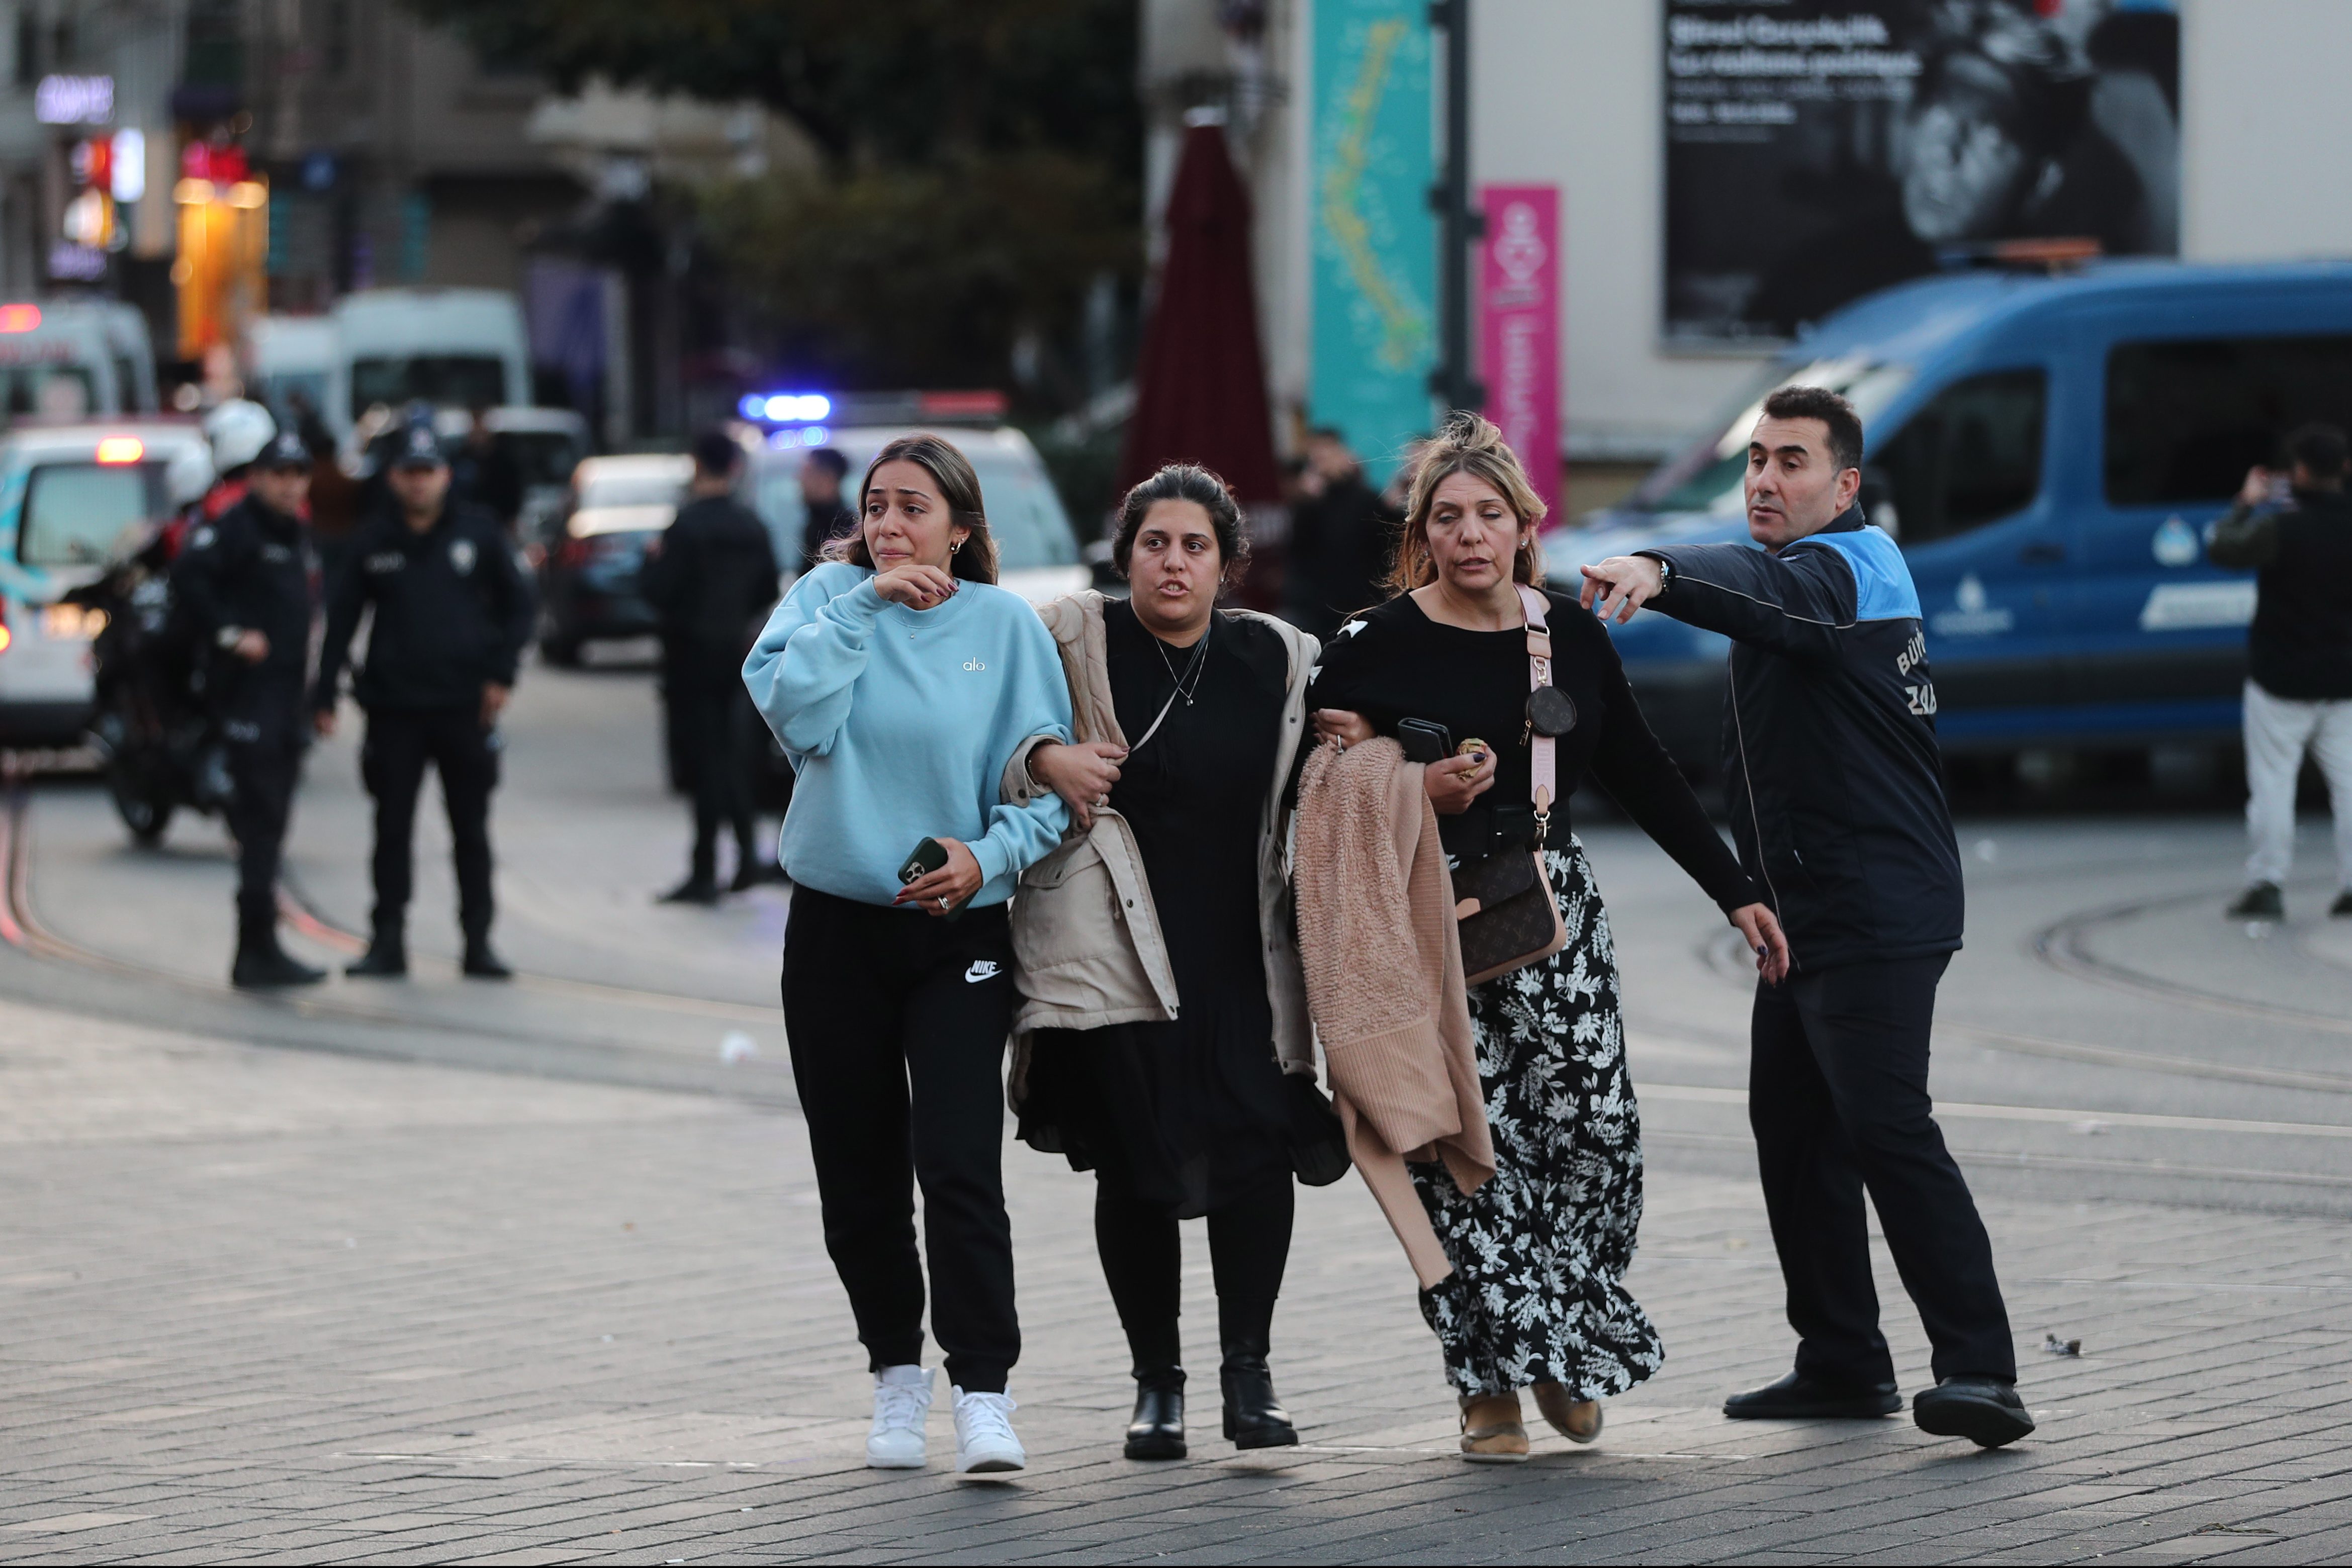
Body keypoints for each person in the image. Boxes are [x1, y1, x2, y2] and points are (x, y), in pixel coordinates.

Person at [1309, 413, 1789, 1461]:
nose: (1469, 534)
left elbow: (1641, 770)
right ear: (1422, 534)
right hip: (1417, 922)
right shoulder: (1368, 648)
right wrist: (1408, 782)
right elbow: (1315, 792)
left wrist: (1731, 886)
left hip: (1550, 913)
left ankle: (1561, 1339)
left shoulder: (1564, 633)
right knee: (1459, 1155)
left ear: (1525, 525)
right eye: (1447, 518)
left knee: (1593, 1138)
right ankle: (1485, 1382)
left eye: (1489, 514)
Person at [1579, 385, 2031, 1450]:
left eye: (1790, 461)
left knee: (1885, 1127)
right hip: (1805, 907)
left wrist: (1663, 571)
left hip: (1873, 905)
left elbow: (1746, 588)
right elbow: (1755, 602)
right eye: (1753, 461)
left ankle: (1983, 1369)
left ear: (1844, 483)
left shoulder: (1845, 570)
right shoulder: (1805, 576)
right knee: (1791, 1126)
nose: (1764, 480)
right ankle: (1840, 1358)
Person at [743, 433, 1073, 1478]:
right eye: (876, 505)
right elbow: (797, 716)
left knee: (960, 1162)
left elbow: (1048, 790)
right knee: (857, 1170)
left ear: (961, 527)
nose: (890, 524)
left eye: (914, 507)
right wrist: (861, 602)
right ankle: (895, 1371)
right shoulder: (824, 601)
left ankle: (983, 1385)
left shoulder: (1006, 626)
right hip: (836, 926)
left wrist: (986, 856)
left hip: (954, 935)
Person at [1010, 464, 1327, 1461]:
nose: (1173, 561)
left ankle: (1248, 1371)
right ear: (1126, 552)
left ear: (1228, 562)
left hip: (1239, 946)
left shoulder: (1278, 658)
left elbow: (1332, 768)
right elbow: (996, 737)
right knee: (1137, 1158)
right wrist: (1041, 758)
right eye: (1155, 542)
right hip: (1114, 947)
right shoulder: (1071, 638)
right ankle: (1156, 1382)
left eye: (1194, 545)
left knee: (1253, 1150)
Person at [312, 420, 536, 981]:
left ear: (444, 475)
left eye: (429, 472)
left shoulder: (478, 533)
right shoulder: (372, 540)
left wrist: (501, 674)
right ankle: (387, 940)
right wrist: (325, 694)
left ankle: (478, 941)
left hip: (464, 705)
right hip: (394, 708)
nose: (419, 484)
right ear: (394, 478)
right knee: (392, 828)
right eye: (410, 473)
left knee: (471, 828)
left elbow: (520, 606)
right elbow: (341, 621)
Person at [173, 431, 326, 989]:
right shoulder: (237, 527)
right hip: (248, 696)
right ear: (257, 477)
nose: (289, 485)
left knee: (273, 820)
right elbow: (189, 575)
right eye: (278, 474)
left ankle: (261, 943)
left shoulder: (297, 533)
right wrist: (229, 633)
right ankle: (254, 946)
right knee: (259, 819)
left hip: (287, 696)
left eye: (298, 474)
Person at [2210, 422, 2352, 920]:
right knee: (2350, 786)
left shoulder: (2279, 530)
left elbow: (2222, 546)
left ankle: (2267, 884)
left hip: (2280, 680)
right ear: (2344, 469)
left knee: (2273, 786)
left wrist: (2246, 501)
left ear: (2298, 473)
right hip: (2343, 681)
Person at [641, 430, 784, 903]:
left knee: (703, 764)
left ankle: (705, 871)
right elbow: (767, 588)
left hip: (690, 658)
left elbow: (659, 590)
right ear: (736, 468)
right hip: (740, 658)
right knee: (735, 759)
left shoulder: (685, 526)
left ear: (697, 465)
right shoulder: (751, 524)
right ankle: (744, 857)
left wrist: (650, 567)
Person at [1282, 427, 1398, 638]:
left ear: (1344, 456)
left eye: (1327, 455)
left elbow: (1387, 547)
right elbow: (1298, 552)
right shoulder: (1311, 506)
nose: (1323, 463)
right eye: (1317, 458)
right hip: (1319, 611)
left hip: (1365, 605)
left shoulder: (1367, 499)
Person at [449, 404, 524, 533]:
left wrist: (512, 520)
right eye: (475, 423)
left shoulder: (504, 461)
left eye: (481, 423)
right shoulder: (459, 458)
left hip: (499, 522)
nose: (478, 429)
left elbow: (513, 492)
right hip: (466, 523)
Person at [799, 447, 856, 569]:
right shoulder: (814, 523)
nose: (800, 480)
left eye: (807, 473)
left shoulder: (845, 530)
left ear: (828, 477)